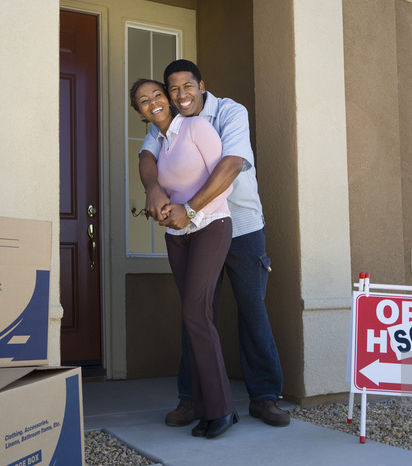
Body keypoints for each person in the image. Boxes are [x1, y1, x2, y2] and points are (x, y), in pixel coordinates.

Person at [138, 59, 289, 428]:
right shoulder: (171, 122)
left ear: (201, 85)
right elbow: (147, 156)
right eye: (173, 89)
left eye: (187, 87)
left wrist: (189, 209)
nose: (180, 95)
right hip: (195, 230)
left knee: (252, 309)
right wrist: (154, 187)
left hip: (241, 224)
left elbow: (233, 164)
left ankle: (265, 397)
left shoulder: (230, 112)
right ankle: (192, 398)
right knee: (197, 311)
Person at [129, 78, 238, 439]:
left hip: (210, 227)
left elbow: (226, 182)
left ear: (169, 99)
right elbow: (154, 180)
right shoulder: (156, 145)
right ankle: (209, 408)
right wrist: (159, 202)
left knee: (196, 313)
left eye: (157, 95)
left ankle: (221, 408)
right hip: (177, 238)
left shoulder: (196, 126)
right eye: (144, 101)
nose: (153, 103)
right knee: (193, 318)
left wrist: (190, 212)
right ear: (141, 112)